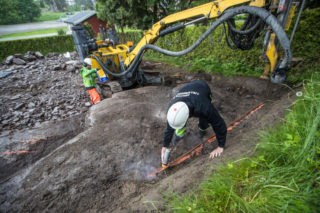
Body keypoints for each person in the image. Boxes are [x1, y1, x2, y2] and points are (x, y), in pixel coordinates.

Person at [161, 80, 227, 166]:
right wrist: (165, 145)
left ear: (188, 116)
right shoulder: (173, 108)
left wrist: (220, 147)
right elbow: (170, 126)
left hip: (202, 88)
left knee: (204, 120)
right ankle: (179, 135)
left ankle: (202, 129)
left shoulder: (204, 107)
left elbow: (219, 123)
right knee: (178, 122)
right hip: (188, 89)